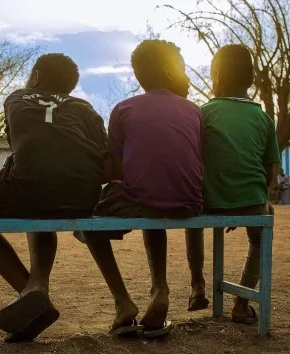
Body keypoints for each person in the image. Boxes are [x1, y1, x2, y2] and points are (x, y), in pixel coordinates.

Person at [0, 53, 106, 342]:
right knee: (41, 208)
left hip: (28, 186)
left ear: (36, 77)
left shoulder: (17, 98)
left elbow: (21, 145)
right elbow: (102, 150)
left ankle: (32, 290)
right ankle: (36, 288)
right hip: (83, 194)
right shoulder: (84, 107)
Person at [78, 40, 203, 338]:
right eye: (182, 69)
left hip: (144, 197)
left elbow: (117, 171)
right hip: (190, 201)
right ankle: (159, 289)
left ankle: (123, 302)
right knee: (153, 201)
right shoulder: (195, 111)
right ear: (167, 72)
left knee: (88, 220)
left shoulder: (123, 109)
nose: (187, 76)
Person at [185, 44, 280, 325]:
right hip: (251, 200)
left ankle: (198, 284)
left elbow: (193, 160)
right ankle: (242, 302)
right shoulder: (264, 118)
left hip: (209, 202)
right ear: (251, 80)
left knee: (194, 220)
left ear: (216, 76)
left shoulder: (203, 113)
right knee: (260, 232)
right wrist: (251, 199)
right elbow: (270, 170)